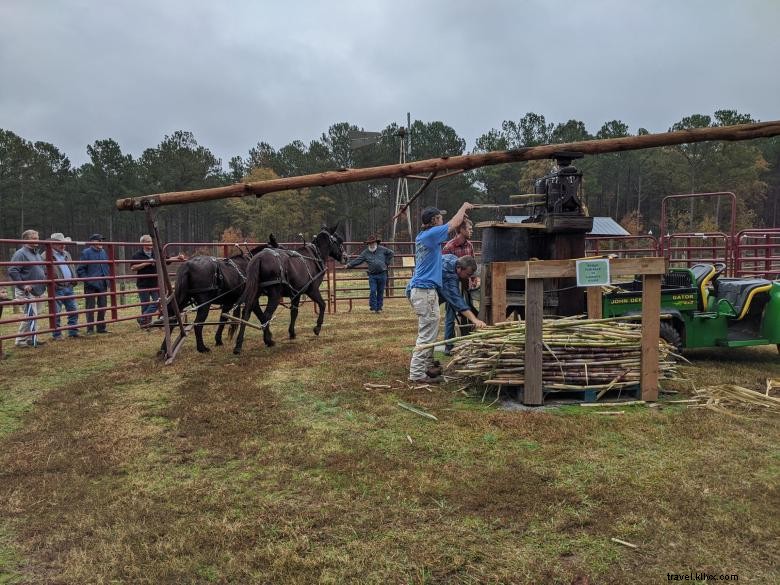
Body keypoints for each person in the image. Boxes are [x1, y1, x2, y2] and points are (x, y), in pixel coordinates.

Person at [406, 203, 483, 384]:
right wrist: (463, 207)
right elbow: (453, 224)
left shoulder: (428, 238)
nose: (442, 221)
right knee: (427, 334)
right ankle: (417, 373)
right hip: (425, 291)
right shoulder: (431, 234)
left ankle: (426, 368)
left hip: (422, 290)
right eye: (440, 218)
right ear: (434, 220)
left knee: (429, 331)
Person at [441, 218, 479, 354]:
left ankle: (466, 342)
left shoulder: (470, 245)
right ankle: (448, 346)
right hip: (452, 285)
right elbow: (446, 270)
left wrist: (473, 278)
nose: (471, 231)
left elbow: (472, 263)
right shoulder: (449, 247)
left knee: (467, 310)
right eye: (469, 228)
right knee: (451, 315)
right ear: (461, 230)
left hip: (466, 284)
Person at [7, 229, 47, 347]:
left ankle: (31, 338)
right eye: (33, 238)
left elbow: (41, 269)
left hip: (37, 289)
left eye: (37, 238)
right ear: (25, 240)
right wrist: (23, 285)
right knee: (30, 315)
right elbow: (12, 270)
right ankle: (20, 340)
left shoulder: (36, 253)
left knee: (35, 315)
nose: (37, 240)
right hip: (26, 290)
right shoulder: (21, 253)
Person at [439, 254, 485, 350]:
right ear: (459, 268)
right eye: (468, 274)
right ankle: (422, 361)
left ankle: (428, 359)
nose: (468, 277)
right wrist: (475, 320)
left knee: (432, 326)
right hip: (423, 294)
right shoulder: (449, 275)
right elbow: (457, 301)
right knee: (429, 328)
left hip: (429, 293)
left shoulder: (453, 259)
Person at [43, 233, 80, 340]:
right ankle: (57, 334)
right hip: (57, 287)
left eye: (64, 243)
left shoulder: (66, 254)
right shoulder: (45, 255)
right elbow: (43, 271)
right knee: (56, 312)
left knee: (73, 310)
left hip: (68, 286)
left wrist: (74, 278)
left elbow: (71, 266)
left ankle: (73, 331)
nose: (63, 245)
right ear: (53, 244)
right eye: (60, 243)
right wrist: (50, 282)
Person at [345, 234, 394, 312]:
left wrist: (386, 262)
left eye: (373, 243)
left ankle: (379, 307)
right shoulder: (365, 253)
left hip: (382, 273)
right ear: (368, 244)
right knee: (373, 291)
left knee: (381, 291)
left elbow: (391, 253)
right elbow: (358, 260)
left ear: (376, 243)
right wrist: (349, 265)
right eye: (370, 243)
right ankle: (373, 307)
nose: (372, 244)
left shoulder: (382, 249)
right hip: (372, 275)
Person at [77, 234, 110, 334]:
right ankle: (90, 329)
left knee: (103, 306)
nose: (101, 243)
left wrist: (107, 278)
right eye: (99, 241)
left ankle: (101, 327)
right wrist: (88, 280)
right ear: (92, 242)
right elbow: (81, 269)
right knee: (90, 307)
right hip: (91, 284)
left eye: (102, 241)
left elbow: (107, 265)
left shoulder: (103, 252)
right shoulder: (86, 252)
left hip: (103, 282)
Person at [129, 235, 161, 326]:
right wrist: (146, 263)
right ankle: (145, 323)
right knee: (145, 304)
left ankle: (143, 318)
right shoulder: (137, 254)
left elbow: (166, 259)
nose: (150, 243)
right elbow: (133, 267)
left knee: (158, 302)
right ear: (142, 243)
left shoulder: (156, 253)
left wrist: (177, 258)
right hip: (143, 283)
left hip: (154, 283)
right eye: (147, 241)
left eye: (151, 241)